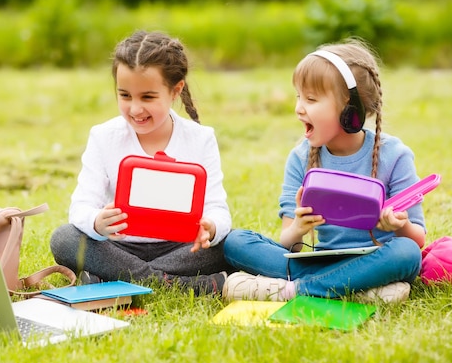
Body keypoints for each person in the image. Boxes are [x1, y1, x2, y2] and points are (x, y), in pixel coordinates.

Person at [222, 38, 425, 303]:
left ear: (350, 110)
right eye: (298, 96)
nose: (298, 108)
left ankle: (294, 290)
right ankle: (353, 288)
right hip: (318, 263)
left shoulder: (395, 155)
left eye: (311, 99)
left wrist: (400, 225)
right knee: (235, 241)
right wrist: (297, 228)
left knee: (406, 252)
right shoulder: (300, 158)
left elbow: (418, 239)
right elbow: (288, 243)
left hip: (375, 259)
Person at [50, 30, 234, 295]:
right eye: (125, 96)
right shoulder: (104, 137)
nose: (135, 109)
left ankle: (113, 281)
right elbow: (80, 207)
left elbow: (217, 208)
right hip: (118, 247)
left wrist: (211, 227)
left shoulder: (201, 139)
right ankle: (175, 285)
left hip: (180, 247)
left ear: (175, 90)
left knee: (229, 244)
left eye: (147, 97)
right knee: (65, 239)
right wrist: (97, 222)